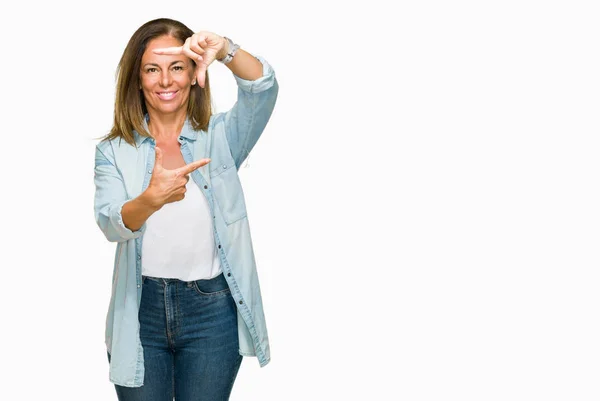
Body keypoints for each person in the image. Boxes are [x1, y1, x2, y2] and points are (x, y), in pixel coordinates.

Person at [93, 17, 278, 400]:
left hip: (212, 312)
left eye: (177, 67)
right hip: (139, 312)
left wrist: (224, 47)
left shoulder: (221, 137)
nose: (165, 81)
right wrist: (151, 198)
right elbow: (112, 223)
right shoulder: (113, 151)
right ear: (137, 79)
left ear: (194, 73)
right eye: (152, 70)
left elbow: (262, 88)